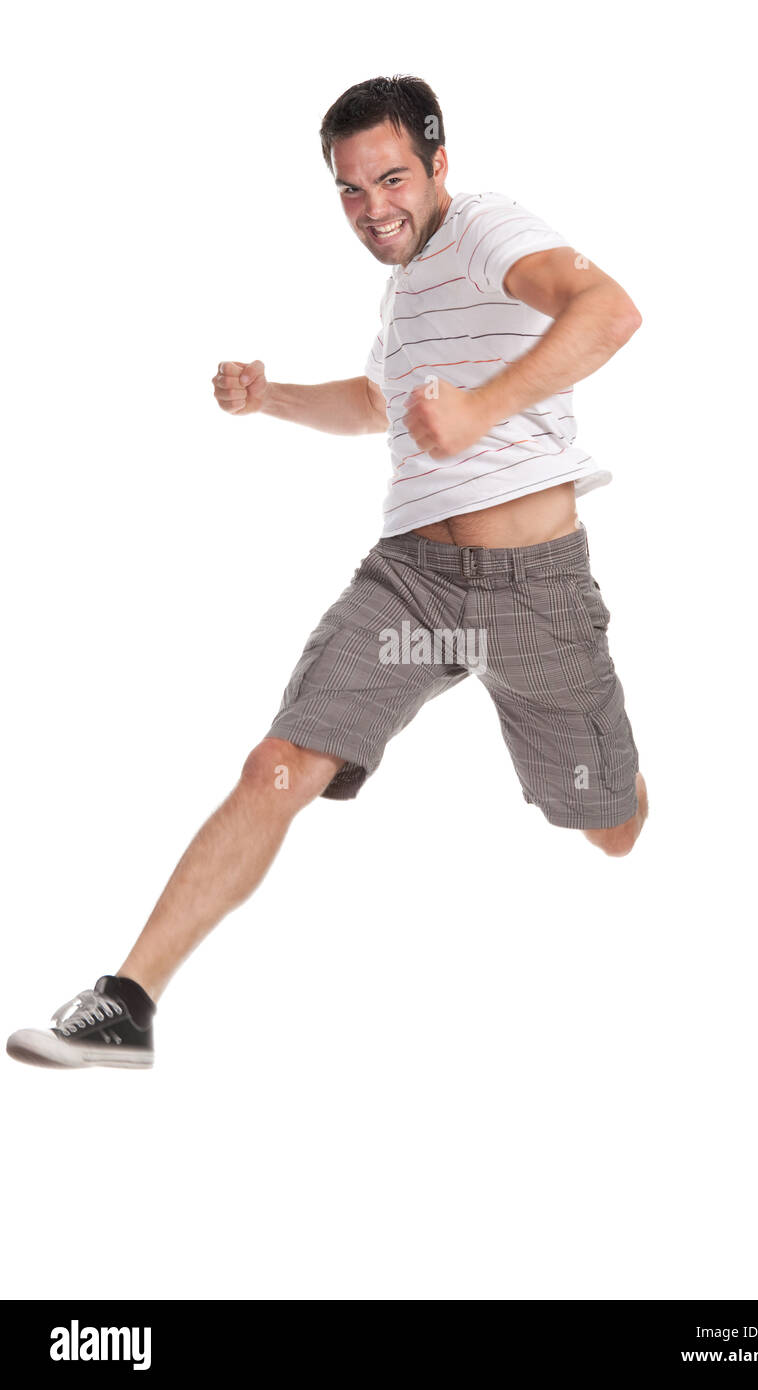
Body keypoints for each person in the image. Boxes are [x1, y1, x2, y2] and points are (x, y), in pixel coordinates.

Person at [6, 74, 648, 1070]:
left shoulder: (483, 228)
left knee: (609, 825)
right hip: (414, 589)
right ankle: (125, 1003)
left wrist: (480, 410)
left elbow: (607, 313)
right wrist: (271, 399)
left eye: (392, 178)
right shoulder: (407, 292)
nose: (372, 208)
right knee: (277, 765)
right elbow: (374, 404)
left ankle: (610, 762)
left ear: (438, 164)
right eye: (349, 189)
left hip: (533, 597)